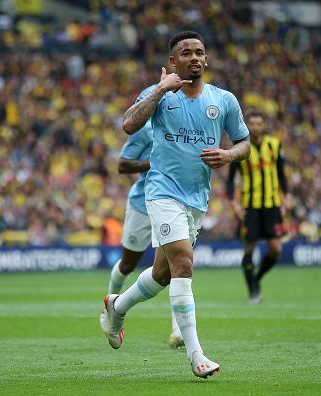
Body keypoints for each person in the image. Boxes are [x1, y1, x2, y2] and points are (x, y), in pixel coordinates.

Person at [102, 31, 250, 379]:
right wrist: (159, 89)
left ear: (206, 59)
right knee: (184, 262)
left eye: (200, 52)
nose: (194, 57)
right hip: (161, 192)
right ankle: (196, 355)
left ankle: (117, 307)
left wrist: (229, 154)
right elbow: (128, 124)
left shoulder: (223, 100)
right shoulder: (160, 95)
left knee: (163, 274)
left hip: (197, 199)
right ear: (173, 62)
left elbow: (245, 142)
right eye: (186, 53)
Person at [98, 121, 184, 349]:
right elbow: (123, 165)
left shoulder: (185, 129)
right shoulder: (146, 130)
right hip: (142, 204)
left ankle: (178, 331)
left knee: (176, 265)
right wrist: (155, 163)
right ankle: (111, 310)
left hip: (173, 205)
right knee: (128, 264)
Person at [226, 110, 291, 304]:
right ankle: (253, 291)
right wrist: (234, 202)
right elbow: (230, 180)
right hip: (250, 206)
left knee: (276, 248)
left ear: (263, 125)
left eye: (258, 124)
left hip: (272, 204)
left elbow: (280, 174)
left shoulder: (274, 144)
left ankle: (256, 279)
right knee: (249, 247)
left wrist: (286, 196)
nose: (255, 127)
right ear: (247, 125)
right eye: (251, 124)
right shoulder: (240, 148)